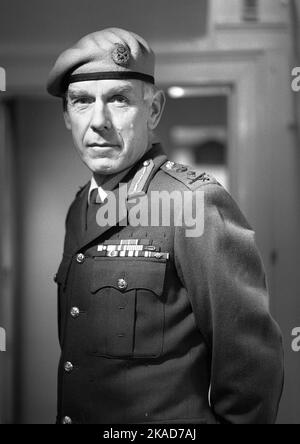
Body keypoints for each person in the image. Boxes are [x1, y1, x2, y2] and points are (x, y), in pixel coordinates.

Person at [47, 27, 284, 425]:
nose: (98, 120)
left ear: (153, 110)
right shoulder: (80, 206)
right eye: (82, 101)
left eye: (119, 99)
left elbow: (251, 369)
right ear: (67, 115)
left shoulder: (193, 203)